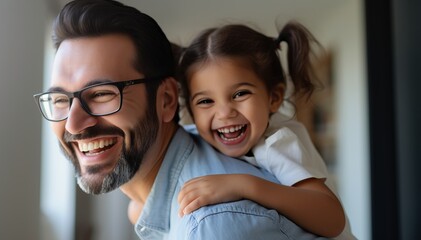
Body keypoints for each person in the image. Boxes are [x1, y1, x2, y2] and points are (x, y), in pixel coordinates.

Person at [33, 0, 327, 239]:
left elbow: (330, 215)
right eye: (60, 100)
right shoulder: (153, 198)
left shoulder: (213, 227)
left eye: (101, 94)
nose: (72, 123)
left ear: (167, 100)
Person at [176, 23, 355, 239]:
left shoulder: (277, 142)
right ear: (191, 111)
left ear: (274, 98)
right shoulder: (195, 135)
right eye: (205, 101)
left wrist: (244, 185)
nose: (224, 113)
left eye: (240, 94)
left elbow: (332, 219)